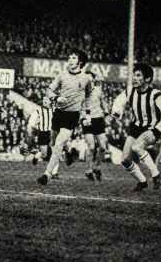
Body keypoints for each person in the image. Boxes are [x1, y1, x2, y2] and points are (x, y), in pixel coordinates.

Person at [37, 49, 92, 186]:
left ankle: (47, 174)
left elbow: (88, 96)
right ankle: (69, 152)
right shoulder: (61, 76)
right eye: (69, 57)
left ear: (80, 62)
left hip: (72, 116)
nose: (70, 59)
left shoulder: (86, 79)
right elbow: (49, 90)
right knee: (53, 142)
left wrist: (87, 114)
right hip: (59, 113)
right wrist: (56, 97)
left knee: (58, 145)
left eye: (73, 57)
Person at [111, 63, 161, 191]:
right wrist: (116, 111)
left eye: (138, 75)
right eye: (134, 75)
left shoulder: (156, 95)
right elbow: (118, 101)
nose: (134, 78)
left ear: (147, 79)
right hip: (136, 127)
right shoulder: (130, 91)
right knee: (125, 160)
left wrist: (157, 130)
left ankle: (156, 175)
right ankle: (142, 181)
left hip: (152, 128)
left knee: (137, 147)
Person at [81, 72, 109, 182]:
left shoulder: (98, 90)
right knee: (91, 147)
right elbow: (78, 107)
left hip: (98, 119)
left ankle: (97, 167)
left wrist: (107, 111)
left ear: (93, 81)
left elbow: (103, 103)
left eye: (90, 80)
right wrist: (83, 117)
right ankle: (88, 170)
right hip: (87, 120)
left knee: (103, 147)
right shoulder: (81, 93)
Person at [26, 98, 59, 177]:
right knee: (44, 154)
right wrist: (31, 130)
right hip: (42, 133)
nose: (45, 102)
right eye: (44, 100)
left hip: (51, 133)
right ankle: (37, 155)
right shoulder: (38, 110)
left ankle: (54, 172)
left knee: (55, 152)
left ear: (50, 102)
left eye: (46, 100)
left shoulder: (54, 110)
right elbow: (31, 122)